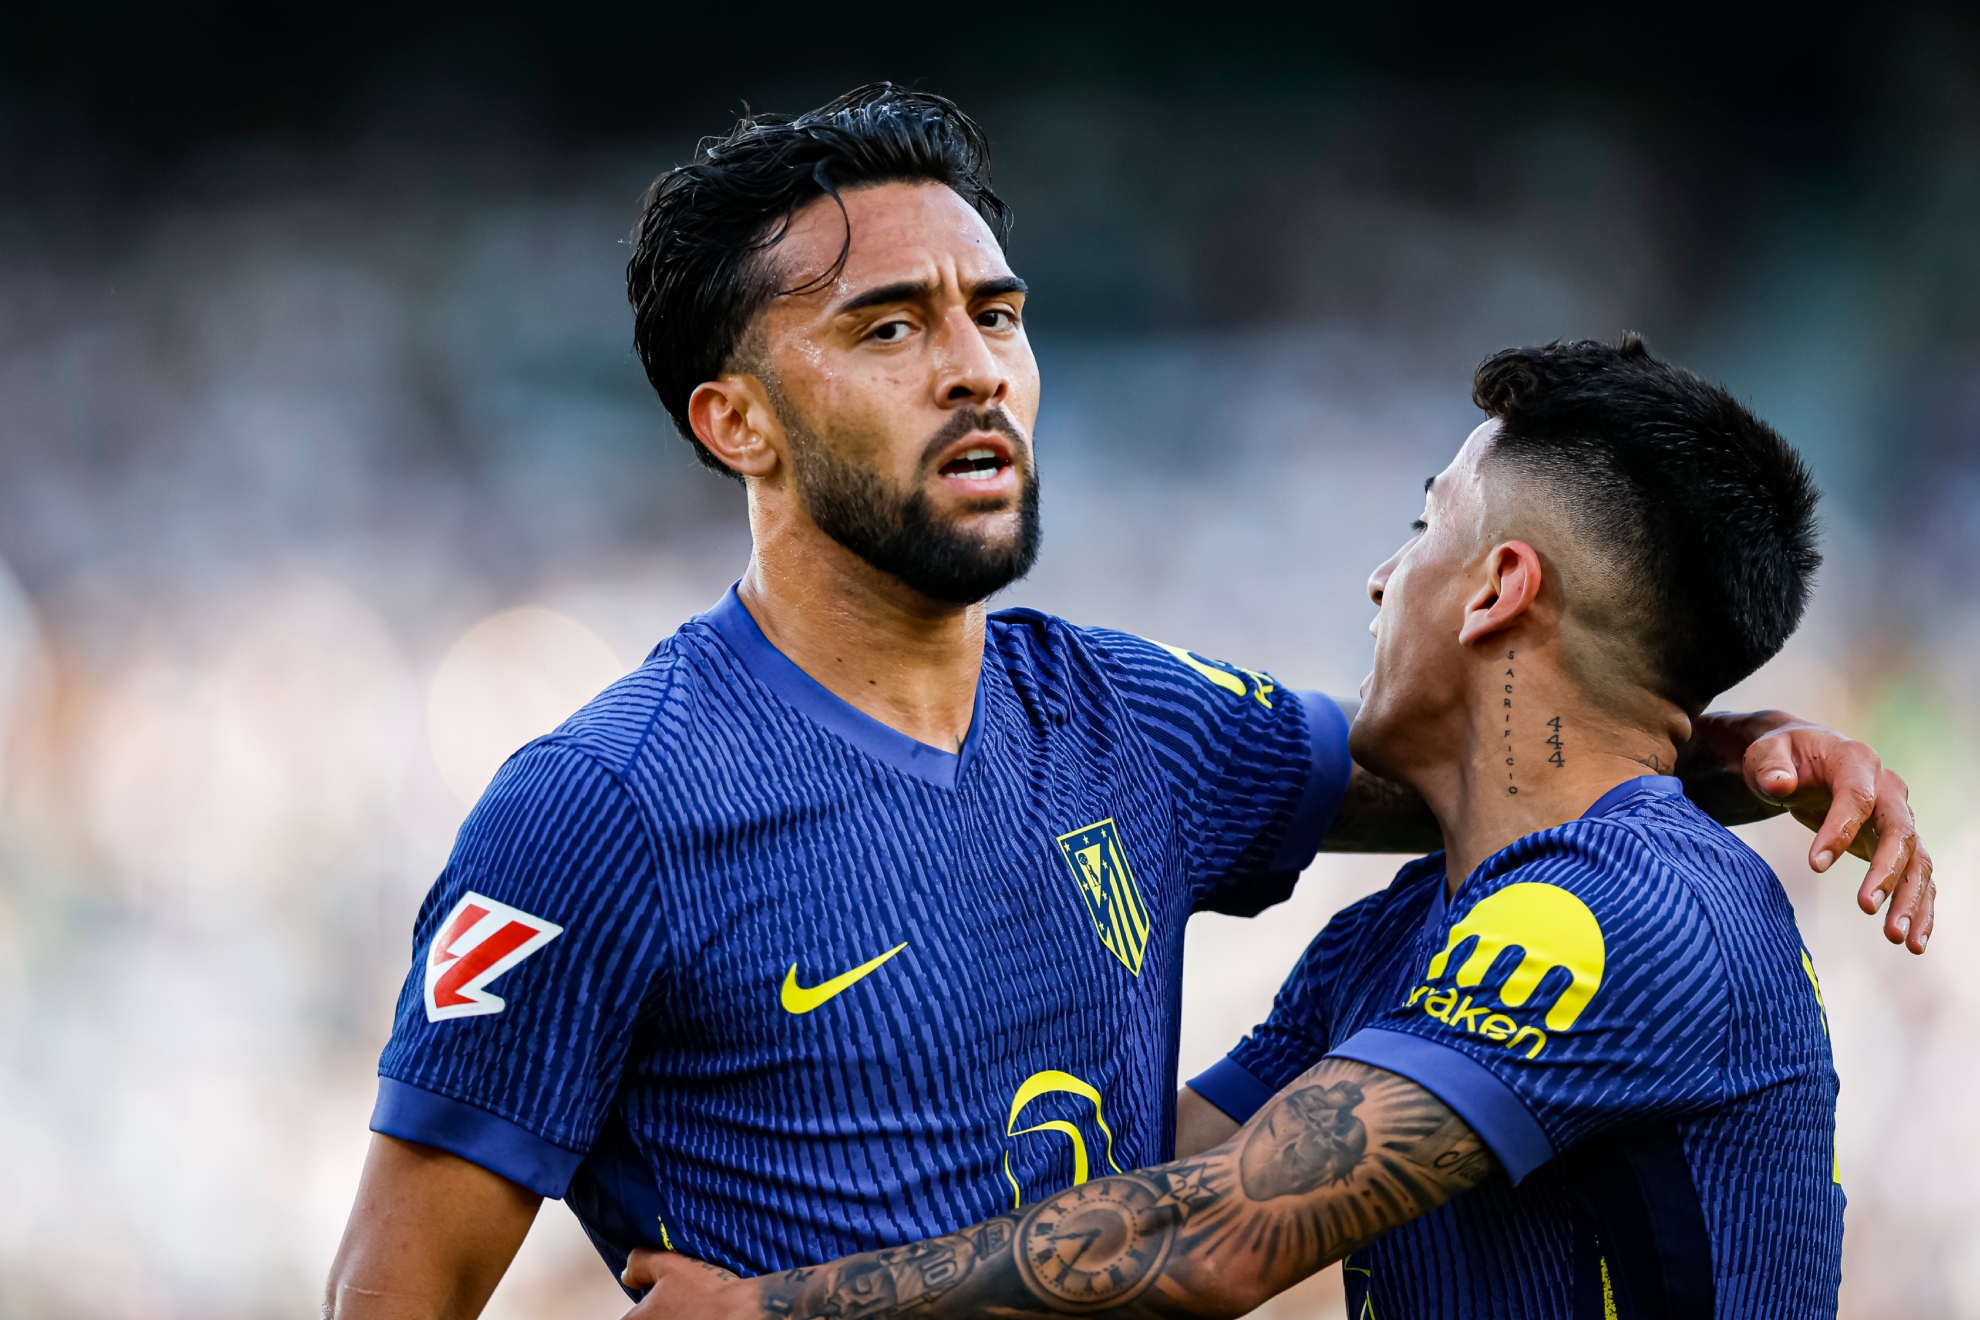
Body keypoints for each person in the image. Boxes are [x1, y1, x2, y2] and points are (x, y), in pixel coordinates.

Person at [321, 86, 1929, 1319]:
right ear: (734, 421)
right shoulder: (599, 812)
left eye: (997, 314)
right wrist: (1726, 758)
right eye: (891, 326)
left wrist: (1710, 753)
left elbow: (1227, 1216)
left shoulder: (1135, 723)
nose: (976, 368)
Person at [625, 335, 1868, 1318]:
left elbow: (1213, 1238)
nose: (1383, 580)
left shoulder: (1634, 907)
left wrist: (771, 1312)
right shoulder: (1393, 944)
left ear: (1499, 589)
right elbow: (1117, 1177)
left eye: (1424, 524)